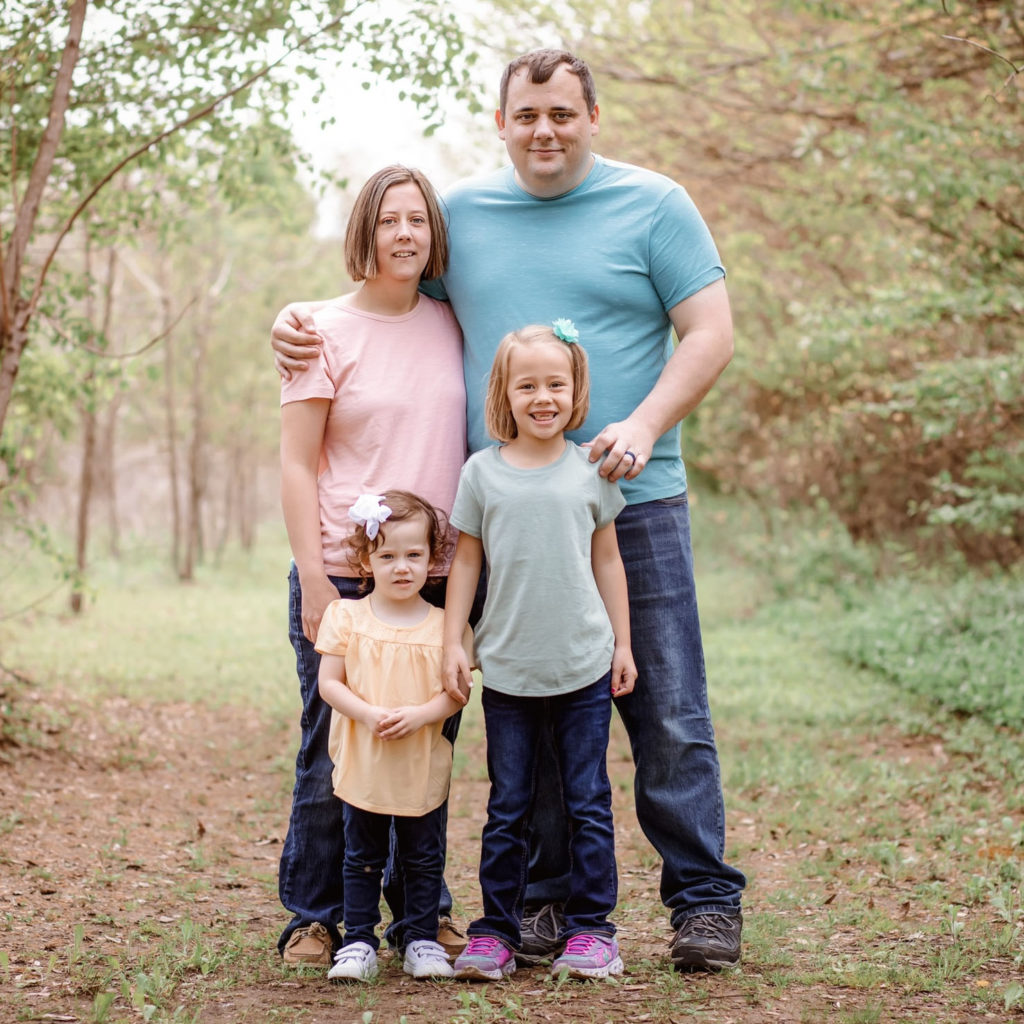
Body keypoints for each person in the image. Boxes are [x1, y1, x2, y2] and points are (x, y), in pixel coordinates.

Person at [272, 49, 746, 973]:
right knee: (530, 710)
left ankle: (702, 904)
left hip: (630, 506)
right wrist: (297, 320)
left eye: (563, 114)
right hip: (501, 519)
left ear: (593, 117)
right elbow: (386, 298)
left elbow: (713, 331)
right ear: (501, 121)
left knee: (669, 714)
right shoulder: (468, 220)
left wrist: (644, 425)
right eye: (527, 115)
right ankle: (539, 908)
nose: (545, 130)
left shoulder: (656, 204)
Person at [277, 165, 467, 967]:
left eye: (418, 220)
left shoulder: (456, 324)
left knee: (426, 745)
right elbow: (295, 463)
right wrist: (317, 581)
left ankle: (423, 917)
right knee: (338, 742)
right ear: (366, 230)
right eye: (389, 220)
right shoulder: (318, 328)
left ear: (435, 236)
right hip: (346, 574)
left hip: (437, 575)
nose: (404, 234)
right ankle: (317, 917)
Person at [443, 322, 636, 982]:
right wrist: (452, 638)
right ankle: (495, 930)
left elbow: (608, 560)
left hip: (583, 666)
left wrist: (624, 644)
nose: (543, 397)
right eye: (527, 385)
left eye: (556, 383)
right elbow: (466, 561)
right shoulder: (482, 474)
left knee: (587, 802)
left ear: (575, 388)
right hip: (509, 671)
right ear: (504, 393)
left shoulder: (589, 471)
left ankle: (592, 932)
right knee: (507, 807)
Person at [317, 490, 475, 981]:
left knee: (423, 856)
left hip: (419, 762)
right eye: (387, 556)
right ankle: (359, 941)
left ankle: (421, 938)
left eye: (414, 555)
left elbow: (458, 693)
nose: (402, 567)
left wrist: (423, 714)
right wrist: (367, 714)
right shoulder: (347, 616)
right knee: (361, 855)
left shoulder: (448, 627)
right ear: (366, 559)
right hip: (365, 759)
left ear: (433, 558)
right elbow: (328, 683)